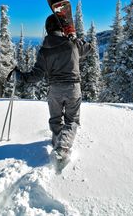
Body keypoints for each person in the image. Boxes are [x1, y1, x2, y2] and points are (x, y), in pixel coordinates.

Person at [7, 14, 91, 159]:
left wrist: (20, 76)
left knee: (55, 119)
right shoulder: (73, 44)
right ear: (61, 28)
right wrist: (73, 36)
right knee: (72, 120)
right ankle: (63, 148)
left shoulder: (44, 51)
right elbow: (88, 48)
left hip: (54, 90)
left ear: (48, 29)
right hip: (73, 88)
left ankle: (56, 142)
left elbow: (36, 76)